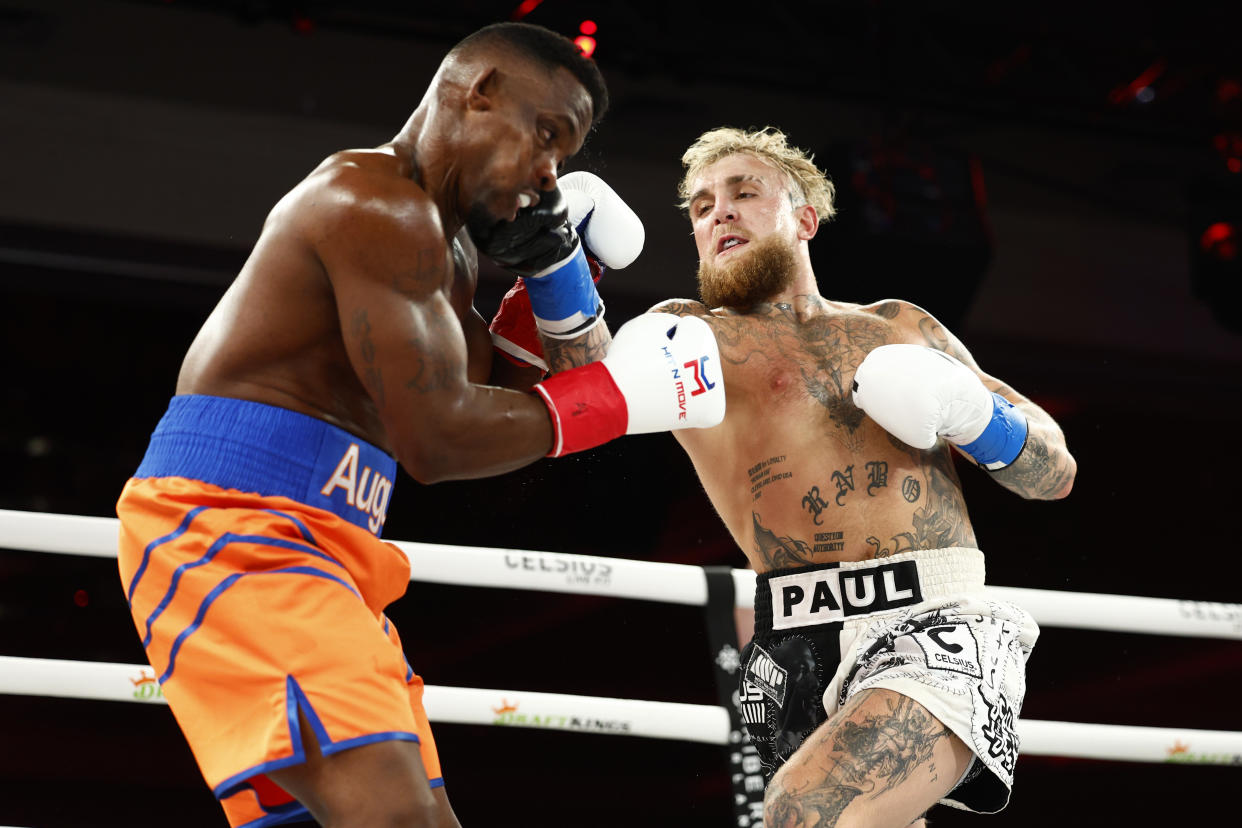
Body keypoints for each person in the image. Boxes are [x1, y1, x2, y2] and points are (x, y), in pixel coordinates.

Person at [114, 22, 724, 828]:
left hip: (329, 545)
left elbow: (491, 410)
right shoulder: (371, 204)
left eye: (563, 157)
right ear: (480, 92)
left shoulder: (454, 254)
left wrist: (552, 284)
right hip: (234, 529)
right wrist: (619, 400)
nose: (549, 172)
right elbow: (438, 441)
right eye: (545, 135)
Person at [651, 127, 1078, 827]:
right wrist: (557, 266)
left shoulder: (900, 329)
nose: (718, 212)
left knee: (802, 811)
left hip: (933, 621)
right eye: (700, 207)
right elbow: (582, 384)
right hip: (790, 643)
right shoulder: (686, 340)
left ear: (805, 218)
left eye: (743, 193)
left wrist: (973, 416)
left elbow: (1052, 472)